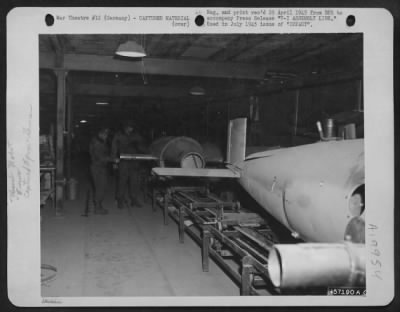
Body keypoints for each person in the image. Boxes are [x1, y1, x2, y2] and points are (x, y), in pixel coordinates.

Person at [111, 120, 146, 209]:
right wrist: (114, 161)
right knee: (122, 181)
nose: (130, 129)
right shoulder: (118, 135)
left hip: (134, 162)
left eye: (132, 127)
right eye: (129, 127)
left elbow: (142, 147)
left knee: (135, 182)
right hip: (123, 162)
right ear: (125, 127)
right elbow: (114, 148)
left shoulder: (136, 135)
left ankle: (134, 199)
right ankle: (120, 200)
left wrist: (142, 149)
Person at [89, 127, 114, 214]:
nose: (106, 136)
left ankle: (98, 206)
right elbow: (100, 157)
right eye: (105, 134)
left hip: (100, 167)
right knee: (101, 188)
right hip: (97, 167)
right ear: (100, 134)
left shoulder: (100, 142)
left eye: (106, 135)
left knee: (101, 187)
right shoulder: (97, 143)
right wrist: (112, 159)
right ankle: (98, 208)